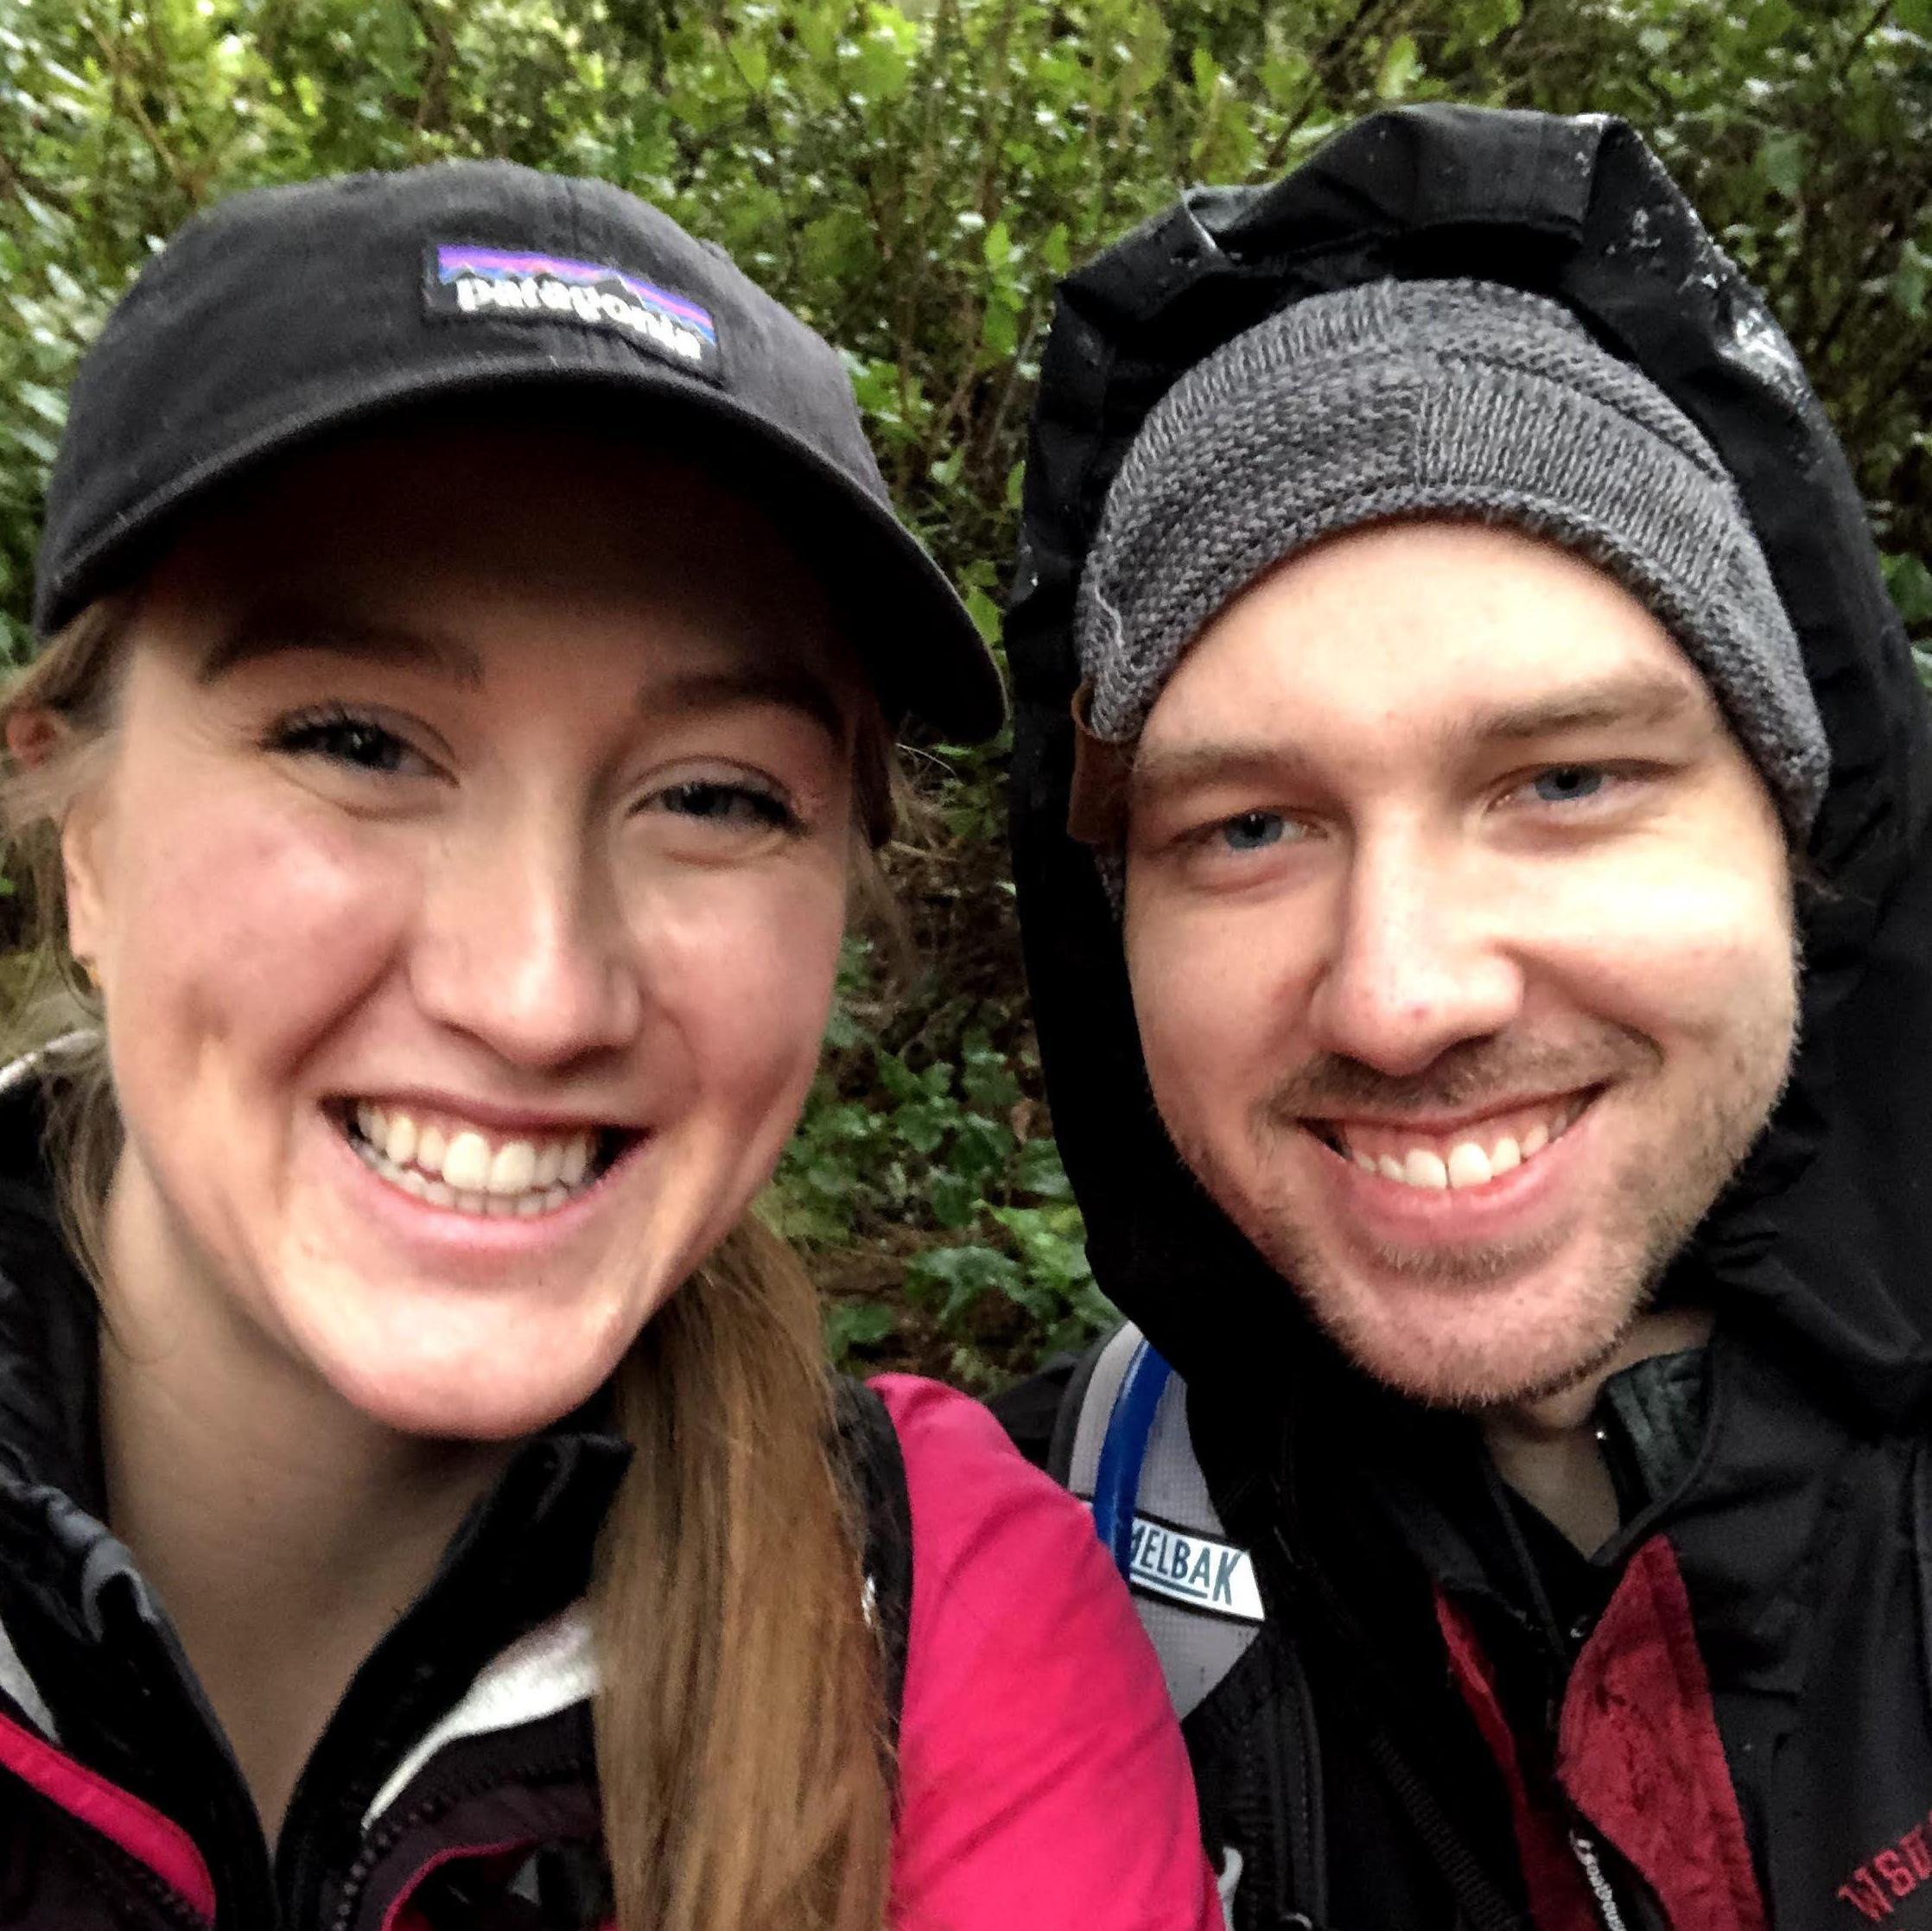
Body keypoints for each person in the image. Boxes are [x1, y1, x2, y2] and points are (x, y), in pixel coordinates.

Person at [0, 162, 1225, 1931]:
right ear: (81, 838)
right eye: (357, 740)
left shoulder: (947, 1627)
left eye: (715, 794)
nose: (537, 988)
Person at [997, 104, 1932, 1931]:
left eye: (1563, 779)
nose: (1401, 991)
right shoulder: (974, 1611)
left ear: (1793, 829)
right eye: (1245, 826)